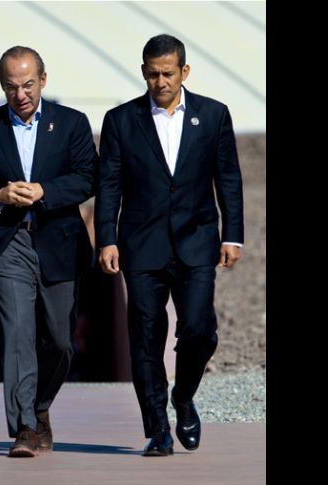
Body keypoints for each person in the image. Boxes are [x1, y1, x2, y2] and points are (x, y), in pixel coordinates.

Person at [95, 34, 244, 456]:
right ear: (143, 72)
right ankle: (158, 427)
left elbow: (228, 179)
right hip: (140, 246)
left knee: (200, 329)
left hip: (197, 242)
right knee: (144, 336)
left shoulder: (213, 116)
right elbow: (108, 185)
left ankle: (183, 397)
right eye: (152, 73)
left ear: (184, 71)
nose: (160, 81)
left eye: (167, 73)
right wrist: (106, 238)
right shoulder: (121, 120)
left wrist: (233, 235)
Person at [0, 46, 96, 457]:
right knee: (17, 333)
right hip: (8, 242)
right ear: (2, 85)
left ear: (44, 80)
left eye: (28, 84)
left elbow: (89, 177)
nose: (21, 94)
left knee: (60, 339)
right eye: (12, 86)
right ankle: (23, 428)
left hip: (59, 242)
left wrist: (46, 192)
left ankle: (40, 406)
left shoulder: (71, 124)